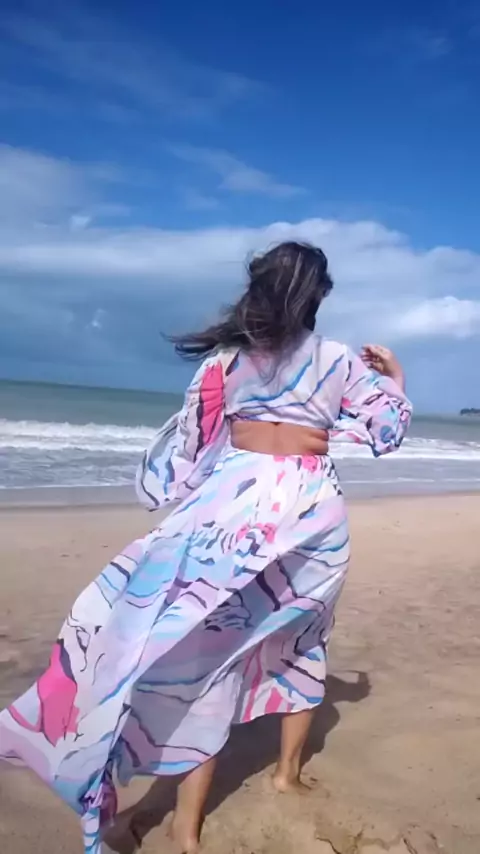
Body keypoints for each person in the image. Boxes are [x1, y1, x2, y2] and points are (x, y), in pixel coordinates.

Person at [0, 242, 412, 854]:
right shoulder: (340, 361)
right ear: (317, 295)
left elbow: (190, 449)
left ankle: (185, 828)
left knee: (204, 654)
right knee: (304, 638)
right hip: (311, 512)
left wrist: (182, 502)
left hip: (232, 510)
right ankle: (285, 775)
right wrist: (394, 378)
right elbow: (387, 430)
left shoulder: (225, 362)